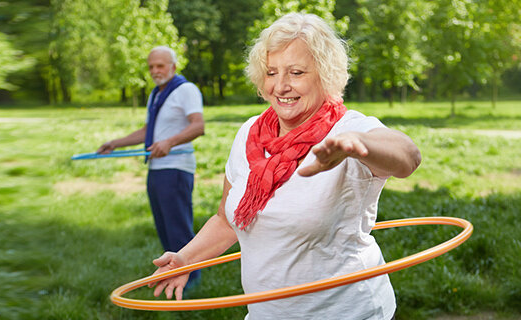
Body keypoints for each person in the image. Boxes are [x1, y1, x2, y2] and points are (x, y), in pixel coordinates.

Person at [147, 13, 422, 319]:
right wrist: (186, 258)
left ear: (324, 74)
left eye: (296, 72)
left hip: (346, 312)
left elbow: (408, 155)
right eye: (271, 72)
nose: (281, 86)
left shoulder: (348, 128)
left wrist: (358, 143)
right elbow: (227, 220)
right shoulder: (250, 134)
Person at [97, 46, 204, 286]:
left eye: (160, 65)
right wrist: (116, 143)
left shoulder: (185, 90)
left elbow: (198, 126)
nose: (155, 71)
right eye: (151, 67)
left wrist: (170, 142)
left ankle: (192, 280)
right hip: (156, 170)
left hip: (176, 169)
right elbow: (148, 132)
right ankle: (173, 276)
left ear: (173, 66)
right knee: (165, 228)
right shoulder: (156, 94)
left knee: (178, 229)